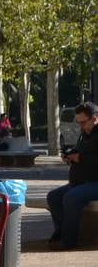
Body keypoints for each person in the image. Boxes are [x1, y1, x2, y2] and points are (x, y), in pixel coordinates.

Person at [47, 101, 98, 251]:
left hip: (94, 182)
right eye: (78, 122)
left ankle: (69, 241)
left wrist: (80, 158)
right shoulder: (85, 134)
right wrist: (70, 156)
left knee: (71, 197)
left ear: (94, 118)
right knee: (54, 196)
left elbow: (87, 157)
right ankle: (61, 234)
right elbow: (82, 153)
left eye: (83, 122)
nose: (80, 126)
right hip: (82, 181)